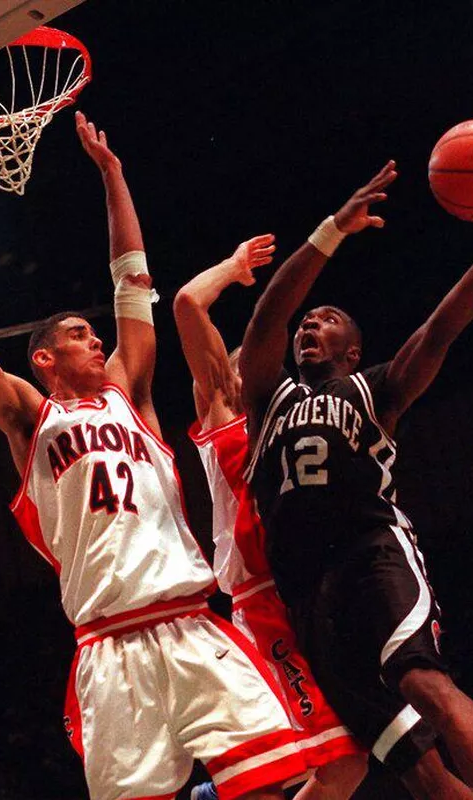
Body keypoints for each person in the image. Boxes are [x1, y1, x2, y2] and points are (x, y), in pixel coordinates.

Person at [0, 116, 310, 800]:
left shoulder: (132, 395)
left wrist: (113, 176)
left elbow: (132, 278)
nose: (96, 342)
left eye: (96, 335)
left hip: (188, 621)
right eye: (78, 335)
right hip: (109, 646)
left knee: (276, 786)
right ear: (44, 358)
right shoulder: (29, 416)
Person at [238, 157, 473, 799]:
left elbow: (444, 327)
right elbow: (266, 320)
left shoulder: (374, 387)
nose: (309, 323)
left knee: (422, 681)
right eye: (307, 321)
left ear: (351, 349)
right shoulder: (267, 400)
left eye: (327, 318)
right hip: (306, 592)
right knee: (412, 762)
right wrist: (329, 233)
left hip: (370, 551)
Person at [174, 236, 370, 800]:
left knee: (341, 765)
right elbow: (188, 303)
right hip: (261, 602)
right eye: (236, 363)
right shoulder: (222, 417)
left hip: (311, 593)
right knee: (337, 768)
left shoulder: (291, 424)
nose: (247, 372)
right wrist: (233, 269)